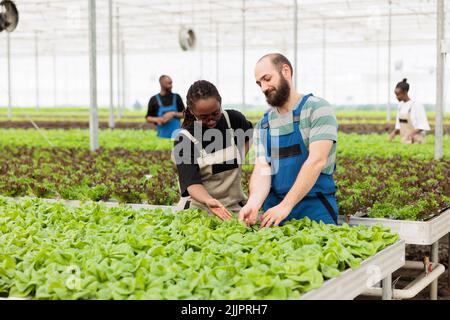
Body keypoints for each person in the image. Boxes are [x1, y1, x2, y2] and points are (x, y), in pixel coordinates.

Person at [239, 53, 339, 228]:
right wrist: (254, 202)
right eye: (259, 83)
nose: (263, 87)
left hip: (315, 208)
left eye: (267, 78)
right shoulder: (264, 124)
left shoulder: (317, 109)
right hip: (274, 212)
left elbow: (316, 161)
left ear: (285, 71)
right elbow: (263, 168)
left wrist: (286, 205)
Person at [173, 80, 253, 220]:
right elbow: (192, 184)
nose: (211, 121)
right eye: (203, 117)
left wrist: (239, 156)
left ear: (220, 103)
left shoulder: (233, 120)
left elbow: (249, 136)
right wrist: (209, 200)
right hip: (198, 211)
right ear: (192, 111)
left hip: (233, 206)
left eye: (215, 113)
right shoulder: (184, 139)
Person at [388, 79, 430, 144]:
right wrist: (394, 133)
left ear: (405, 92)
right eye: (396, 94)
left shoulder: (416, 105)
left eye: (398, 94)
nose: (397, 97)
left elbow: (423, 125)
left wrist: (411, 134)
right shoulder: (400, 106)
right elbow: (399, 125)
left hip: (417, 140)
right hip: (405, 140)